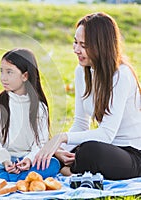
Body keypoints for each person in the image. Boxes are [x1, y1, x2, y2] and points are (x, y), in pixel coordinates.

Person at [33, 12, 141, 180]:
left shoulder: (121, 75)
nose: (76, 50)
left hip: (132, 155)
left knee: (90, 151)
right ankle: (67, 168)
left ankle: (67, 170)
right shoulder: (82, 71)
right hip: (106, 147)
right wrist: (59, 149)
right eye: (75, 42)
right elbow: (80, 124)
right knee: (56, 152)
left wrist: (62, 138)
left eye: (83, 45)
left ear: (101, 45)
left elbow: (106, 134)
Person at [0, 48, 60, 182]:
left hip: (28, 161)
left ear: (25, 76)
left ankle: (5, 177)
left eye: (9, 72)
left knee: (53, 164)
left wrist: (29, 159)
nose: (3, 77)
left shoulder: (40, 107)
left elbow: (40, 143)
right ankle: (20, 177)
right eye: (1, 71)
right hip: (1, 160)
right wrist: (5, 161)